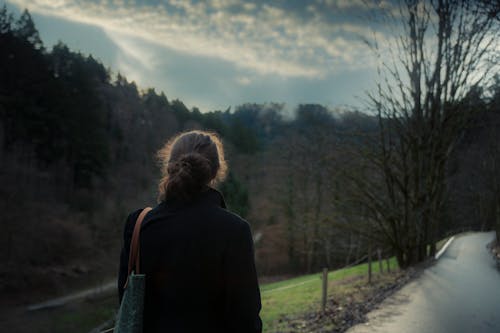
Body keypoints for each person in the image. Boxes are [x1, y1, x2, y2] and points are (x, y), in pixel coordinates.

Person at [118, 130, 262, 333]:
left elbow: (126, 301)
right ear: (215, 172)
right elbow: (245, 318)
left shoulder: (138, 224)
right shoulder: (234, 230)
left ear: (170, 166)